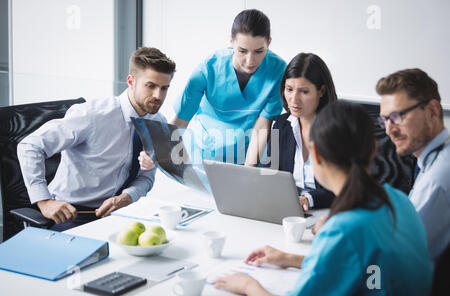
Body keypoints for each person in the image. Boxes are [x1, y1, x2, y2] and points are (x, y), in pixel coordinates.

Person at [213, 101, 433, 296]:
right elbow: (359, 268)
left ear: (315, 153)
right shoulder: (399, 200)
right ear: (374, 149)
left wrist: (249, 286)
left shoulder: (342, 229)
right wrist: (290, 259)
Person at [17, 47, 176, 231]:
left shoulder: (157, 123)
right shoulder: (92, 115)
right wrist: (43, 202)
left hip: (118, 214)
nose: (158, 96)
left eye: (164, 88)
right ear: (131, 81)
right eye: (151, 86)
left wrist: (128, 196)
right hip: (70, 214)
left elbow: (146, 177)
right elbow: (30, 146)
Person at [139, 9, 286, 170]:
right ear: (231, 42)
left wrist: (248, 172)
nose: (250, 60)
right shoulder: (208, 68)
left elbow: (262, 126)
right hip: (206, 156)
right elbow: (181, 119)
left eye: (259, 51)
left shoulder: (278, 71)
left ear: (269, 43)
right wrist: (157, 152)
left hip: (250, 155)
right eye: (242, 51)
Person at [376, 68, 450, 263]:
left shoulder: (438, 179)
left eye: (397, 116)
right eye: (385, 120)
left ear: (432, 111)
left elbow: (395, 255)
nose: (389, 130)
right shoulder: (435, 157)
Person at [262, 53, 336, 212]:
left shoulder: (337, 130)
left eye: (304, 91)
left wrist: (308, 199)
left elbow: (345, 188)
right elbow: (270, 175)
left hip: (327, 211)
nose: (294, 100)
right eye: (289, 89)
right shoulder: (280, 125)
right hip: (289, 209)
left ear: (321, 91)